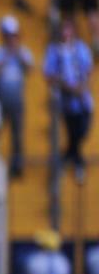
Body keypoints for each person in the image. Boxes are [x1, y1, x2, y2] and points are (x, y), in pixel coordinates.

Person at [43, 19, 94, 179]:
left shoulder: (81, 48)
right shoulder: (54, 50)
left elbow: (88, 71)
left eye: (69, 29)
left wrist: (82, 87)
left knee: (83, 131)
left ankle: (68, 156)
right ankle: (78, 162)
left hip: (83, 98)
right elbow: (49, 75)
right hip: (65, 100)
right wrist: (67, 86)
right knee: (72, 130)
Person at [0, 15, 33, 178]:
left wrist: (17, 52)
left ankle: (17, 166)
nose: (10, 39)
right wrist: (8, 55)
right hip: (0, 99)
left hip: (16, 100)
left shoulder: (23, 52)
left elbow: (29, 68)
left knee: (17, 135)